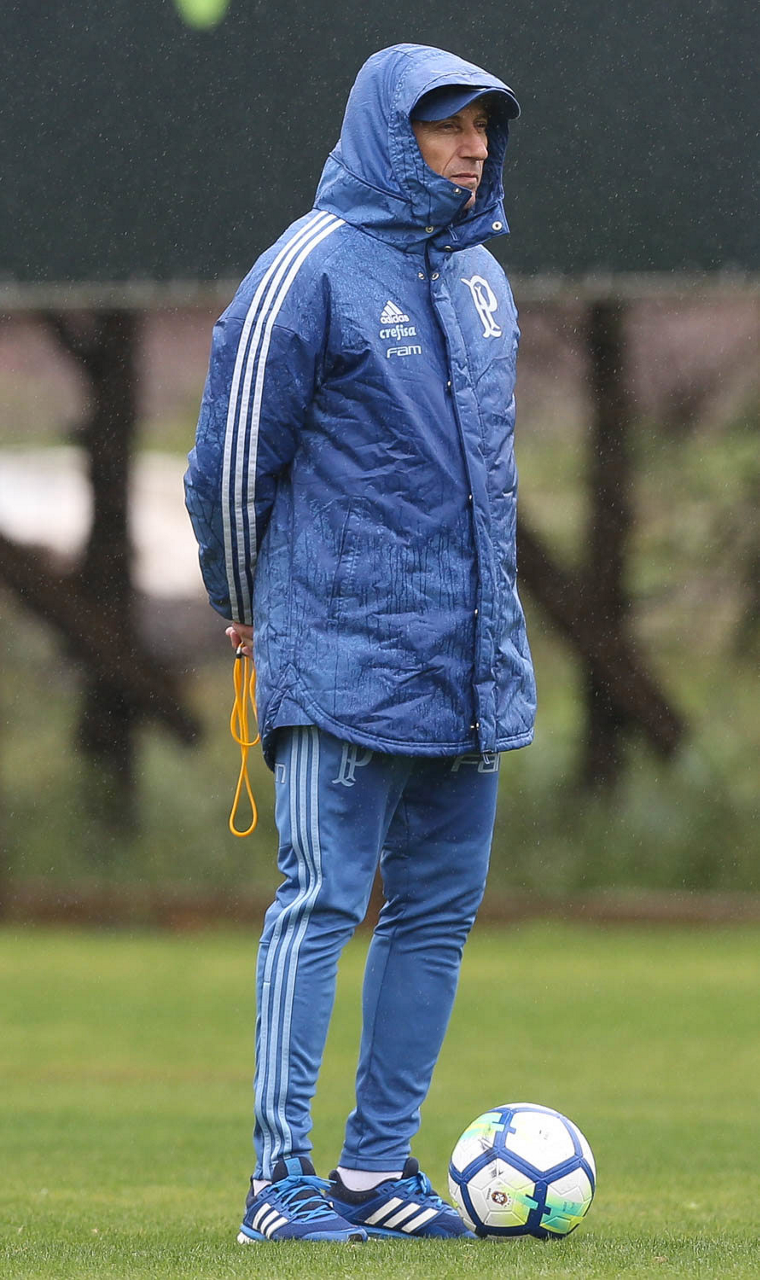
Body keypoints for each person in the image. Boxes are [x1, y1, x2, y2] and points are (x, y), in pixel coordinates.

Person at [185, 41, 536, 1244]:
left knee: (434, 914)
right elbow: (229, 465)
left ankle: (372, 1172)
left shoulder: (484, 280)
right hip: (337, 656)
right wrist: (245, 602)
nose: (472, 147)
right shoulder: (309, 265)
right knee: (322, 900)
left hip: (466, 669)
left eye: (483, 126)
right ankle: (275, 1186)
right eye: (447, 125)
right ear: (394, 132)